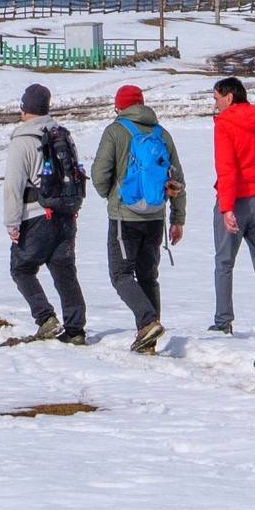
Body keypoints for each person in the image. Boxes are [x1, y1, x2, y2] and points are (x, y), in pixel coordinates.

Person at [92, 83, 184, 354]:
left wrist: (109, 195)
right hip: (156, 216)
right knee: (147, 276)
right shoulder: (161, 133)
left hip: (124, 216)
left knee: (120, 274)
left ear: (119, 106)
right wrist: (178, 216)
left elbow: (99, 174)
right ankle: (148, 340)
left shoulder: (115, 131)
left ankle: (148, 322)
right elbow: (177, 179)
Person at [0, 82, 87, 343]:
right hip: (65, 214)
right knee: (64, 271)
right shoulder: (62, 134)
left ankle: (45, 318)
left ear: (25, 108)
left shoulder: (23, 139)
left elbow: (13, 185)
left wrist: (12, 223)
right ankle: (75, 330)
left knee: (22, 268)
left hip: (36, 216)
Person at [208, 75, 255, 336]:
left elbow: (226, 169)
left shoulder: (224, 124)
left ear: (229, 97)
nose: (215, 104)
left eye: (216, 98)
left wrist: (226, 208)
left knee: (224, 262)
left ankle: (222, 321)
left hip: (235, 201)